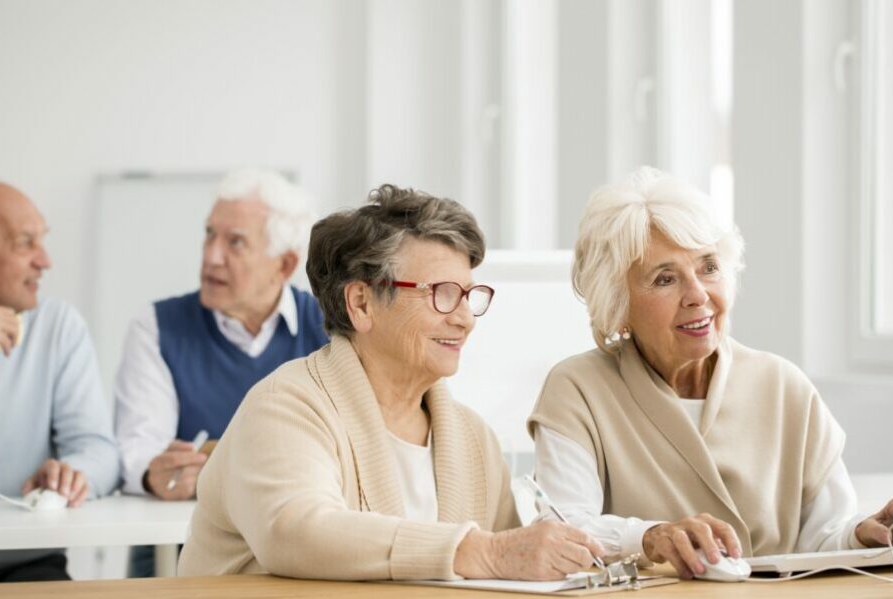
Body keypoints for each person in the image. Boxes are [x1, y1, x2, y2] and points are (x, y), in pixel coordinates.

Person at [528, 166, 893, 580]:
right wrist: (650, 538)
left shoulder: (782, 386)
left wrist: (866, 534)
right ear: (617, 305)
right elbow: (566, 531)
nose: (698, 295)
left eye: (708, 268)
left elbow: (823, 538)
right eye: (665, 279)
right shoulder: (577, 389)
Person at [177, 184, 604, 581]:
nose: (464, 318)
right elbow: (296, 531)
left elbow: (510, 568)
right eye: (441, 292)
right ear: (361, 303)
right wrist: (479, 552)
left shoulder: (474, 439)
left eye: (469, 295)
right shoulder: (284, 406)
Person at [114, 168, 329, 576]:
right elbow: (138, 448)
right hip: (178, 547)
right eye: (209, 234)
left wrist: (220, 474)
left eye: (235, 242)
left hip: (294, 548)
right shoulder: (157, 326)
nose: (212, 255)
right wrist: (153, 473)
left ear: (284, 265)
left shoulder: (331, 328)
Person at [0, 179, 120, 583]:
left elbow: (100, 451)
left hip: (23, 567)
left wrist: (71, 472)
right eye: (25, 243)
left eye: (42, 241)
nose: (45, 261)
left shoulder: (57, 327)